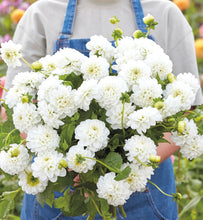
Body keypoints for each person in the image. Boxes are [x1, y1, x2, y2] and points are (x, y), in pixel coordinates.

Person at [3, 0, 203, 219]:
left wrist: (130, 169)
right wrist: (73, 168)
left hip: (142, 189)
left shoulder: (164, 13)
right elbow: (19, 107)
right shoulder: (41, 14)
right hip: (61, 184)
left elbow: (185, 106)